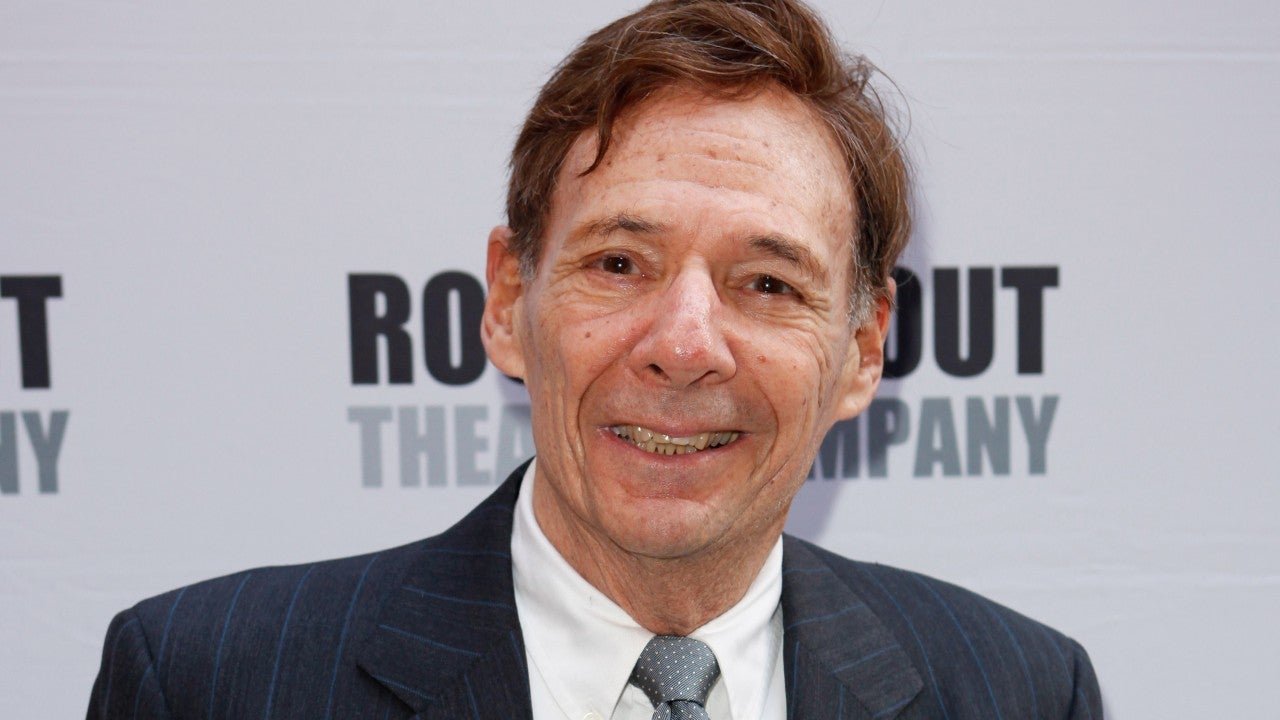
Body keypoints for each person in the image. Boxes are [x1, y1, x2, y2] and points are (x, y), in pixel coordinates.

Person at [87, 1, 1103, 718]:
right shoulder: (209, 682)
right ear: (506, 302)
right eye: (618, 264)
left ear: (862, 350)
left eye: (766, 283)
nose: (683, 347)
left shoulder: (1018, 692)